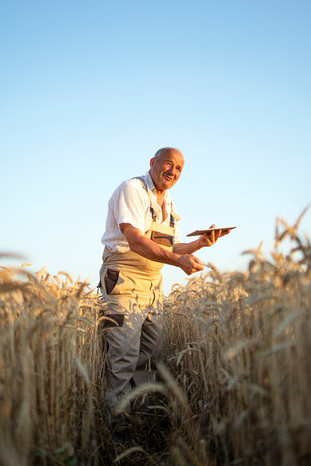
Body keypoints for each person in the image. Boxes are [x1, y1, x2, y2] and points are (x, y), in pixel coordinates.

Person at [98, 147, 230, 430]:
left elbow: (170, 246)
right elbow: (134, 239)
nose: (173, 171)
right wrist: (177, 260)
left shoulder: (169, 202)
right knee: (123, 353)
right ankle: (118, 427)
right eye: (168, 164)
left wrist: (200, 244)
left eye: (179, 168)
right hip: (124, 279)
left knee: (150, 353)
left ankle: (141, 417)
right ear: (153, 163)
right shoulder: (132, 189)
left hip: (153, 285)